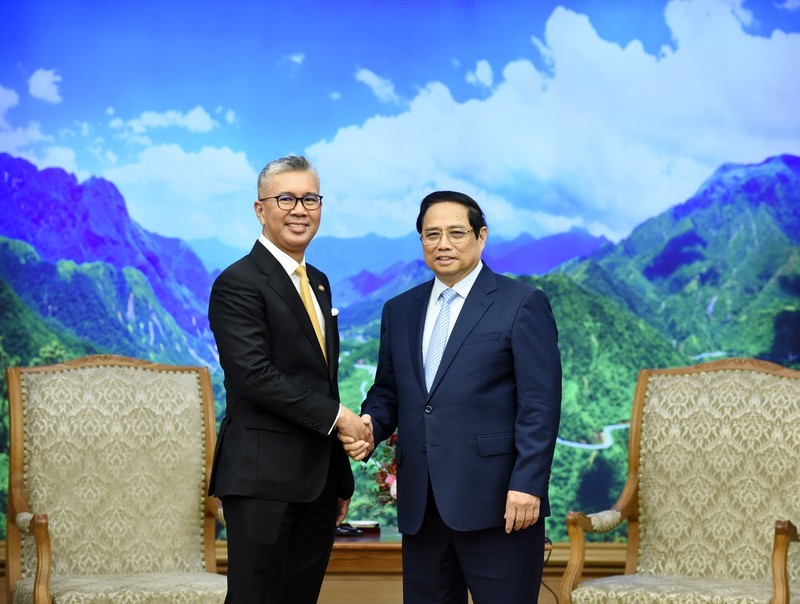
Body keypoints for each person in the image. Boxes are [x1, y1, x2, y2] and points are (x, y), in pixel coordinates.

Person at [345, 191, 562, 603]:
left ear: (481, 237)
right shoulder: (399, 309)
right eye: (432, 234)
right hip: (422, 507)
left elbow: (541, 404)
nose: (442, 244)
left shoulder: (522, 303)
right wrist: (371, 425)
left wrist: (528, 485)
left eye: (456, 233)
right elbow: (389, 390)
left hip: (501, 505)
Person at [208, 154, 370, 603]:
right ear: (260, 209)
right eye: (286, 198)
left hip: (317, 484)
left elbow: (322, 382)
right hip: (262, 480)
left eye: (310, 199)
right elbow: (255, 376)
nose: (300, 209)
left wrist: (340, 479)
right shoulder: (238, 282)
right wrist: (341, 420)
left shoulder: (317, 281)